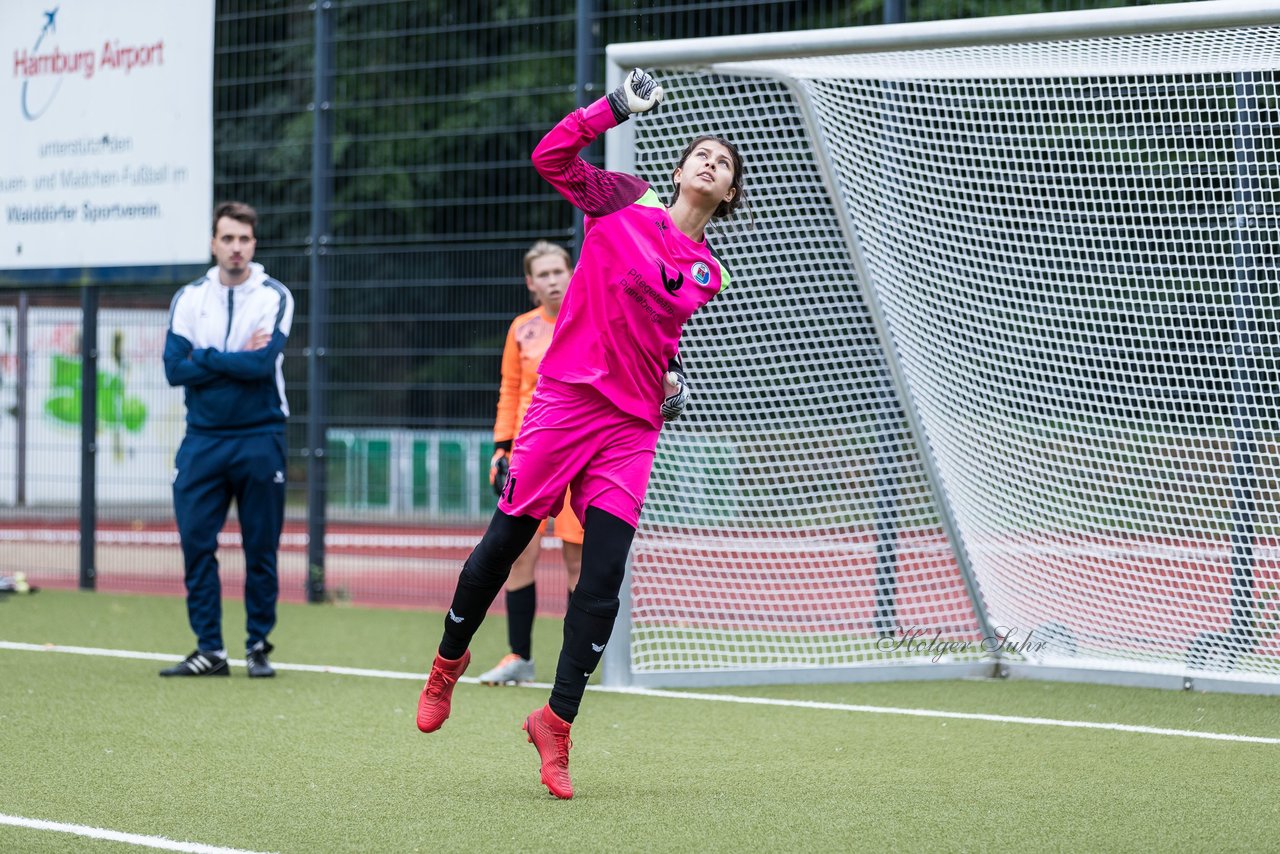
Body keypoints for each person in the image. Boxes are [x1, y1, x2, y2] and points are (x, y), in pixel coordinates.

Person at [416, 69, 746, 799]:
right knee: (502, 546)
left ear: (727, 195)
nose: (710, 163)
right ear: (678, 167)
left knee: (601, 583)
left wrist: (669, 380)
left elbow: (654, 313)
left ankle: (555, 724)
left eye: (724, 165)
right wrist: (614, 107)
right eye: (702, 154)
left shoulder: (706, 273)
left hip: (629, 429)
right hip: (565, 404)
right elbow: (550, 159)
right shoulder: (624, 201)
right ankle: (448, 663)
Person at [160, 201, 295, 679]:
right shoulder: (189, 298)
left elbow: (261, 367)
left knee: (261, 548)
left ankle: (257, 645)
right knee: (197, 543)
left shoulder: (274, 295)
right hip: (202, 439)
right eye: (228, 239)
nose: (236, 248)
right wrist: (232, 360)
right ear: (213, 243)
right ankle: (210, 651)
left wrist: (207, 357)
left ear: (253, 244)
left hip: (260, 436)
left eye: (244, 239)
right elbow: (174, 369)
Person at [478, 240, 585, 686]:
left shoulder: (589, 319)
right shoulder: (521, 329)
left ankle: (575, 666)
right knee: (520, 554)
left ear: (572, 271)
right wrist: (502, 448)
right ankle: (519, 657)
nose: (553, 279)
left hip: (580, 456)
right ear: (530, 283)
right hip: (530, 459)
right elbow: (510, 390)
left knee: (578, 562)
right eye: (543, 274)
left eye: (559, 270)